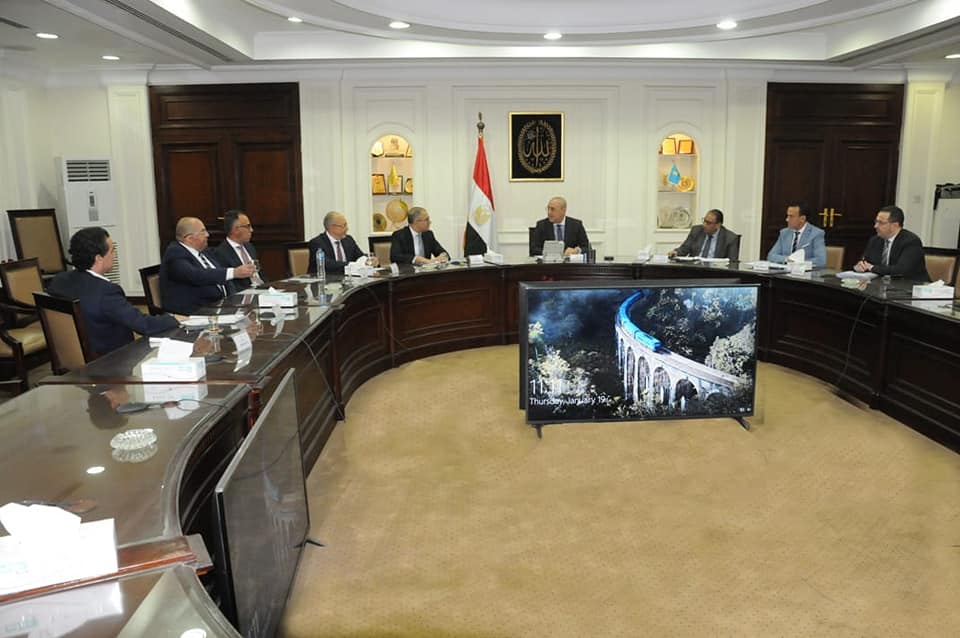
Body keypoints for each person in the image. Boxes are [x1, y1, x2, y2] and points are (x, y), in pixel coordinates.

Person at [47, 227, 180, 357]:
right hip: (109, 359)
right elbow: (143, 325)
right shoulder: (106, 292)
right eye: (112, 251)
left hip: (71, 355)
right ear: (98, 258)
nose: (114, 255)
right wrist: (175, 319)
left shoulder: (59, 280)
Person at [160, 216, 257, 315]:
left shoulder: (205, 252)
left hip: (221, 306)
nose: (207, 234)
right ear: (190, 238)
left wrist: (235, 301)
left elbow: (222, 277)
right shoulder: (175, 254)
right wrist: (234, 272)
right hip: (195, 311)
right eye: (203, 232)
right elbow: (196, 275)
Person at [854, 205, 930, 280]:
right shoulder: (875, 240)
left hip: (910, 285)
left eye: (881, 223)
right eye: (876, 222)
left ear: (895, 225)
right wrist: (860, 266)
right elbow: (865, 261)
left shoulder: (911, 241)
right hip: (881, 284)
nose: (875, 226)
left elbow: (901, 270)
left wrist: (872, 268)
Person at [210, 210, 264, 289]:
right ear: (235, 230)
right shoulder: (220, 253)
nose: (251, 230)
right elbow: (230, 285)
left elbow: (260, 274)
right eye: (248, 226)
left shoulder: (249, 247)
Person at [307, 211, 374, 274]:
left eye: (346, 225)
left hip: (348, 279)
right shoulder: (317, 243)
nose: (346, 228)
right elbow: (327, 264)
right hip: (326, 279)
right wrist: (350, 265)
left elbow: (359, 256)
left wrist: (368, 260)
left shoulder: (348, 240)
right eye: (343, 226)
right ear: (332, 227)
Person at [767, 202, 827, 267]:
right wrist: (787, 259)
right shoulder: (784, 233)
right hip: (785, 272)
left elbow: (821, 260)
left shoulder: (816, 234)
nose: (787, 219)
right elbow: (771, 256)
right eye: (787, 216)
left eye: (791, 216)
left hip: (806, 272)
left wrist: (798, 263)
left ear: (802, 219)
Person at [669, 209, 740, 260]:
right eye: (704, 221)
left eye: (708, 223)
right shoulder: (696, 231)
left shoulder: (730, 238)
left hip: (715, 272)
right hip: (695, 269)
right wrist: (676, 252)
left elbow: (732, 263)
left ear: (718, 225)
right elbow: (684, 249)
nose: (704, 225)